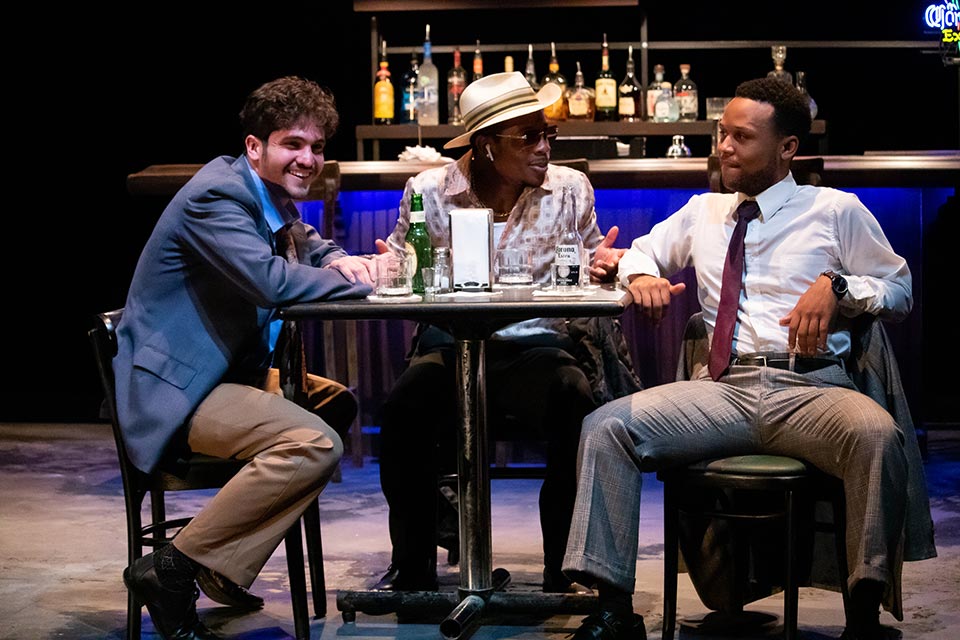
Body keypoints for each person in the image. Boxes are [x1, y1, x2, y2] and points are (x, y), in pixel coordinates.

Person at [561, 77, 935, 640]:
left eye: (741, 137)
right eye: (722, 134)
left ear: (787, 148)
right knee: (606, 427)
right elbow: (641, 253)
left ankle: (863, 613)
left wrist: (839, 286)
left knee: (877, 435)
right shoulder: (704, 212)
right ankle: (614, 608)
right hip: (723, 388)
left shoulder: (836, 210)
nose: (724, 147)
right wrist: (639, 276)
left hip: (813, 387)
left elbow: (899, 291)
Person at [115, 76, 384, 639]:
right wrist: (367, 282)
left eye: (317, 147)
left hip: (230, 374)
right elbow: (270, 282)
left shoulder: (267, 194)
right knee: (313, 443)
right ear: (255, 146)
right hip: (179, 388)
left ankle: (218, 564)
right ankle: (172, 568)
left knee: (336, 405)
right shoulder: (217, 196)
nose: (308, 159)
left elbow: (308, 242)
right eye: (293, 144)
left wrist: (343, 260)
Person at [371, 71, 641, 594]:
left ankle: (566, 568)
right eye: (529, 137)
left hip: (535, 346)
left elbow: (593, 259)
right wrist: (389, 268)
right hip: (451, 344)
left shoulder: (569, 189)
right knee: (403, 410)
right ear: (486, 146)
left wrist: (605, 266)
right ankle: (412, 568)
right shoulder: (429, 191)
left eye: (548, 134)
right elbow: (401, 262)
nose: (545, 148)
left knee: (575, 400)